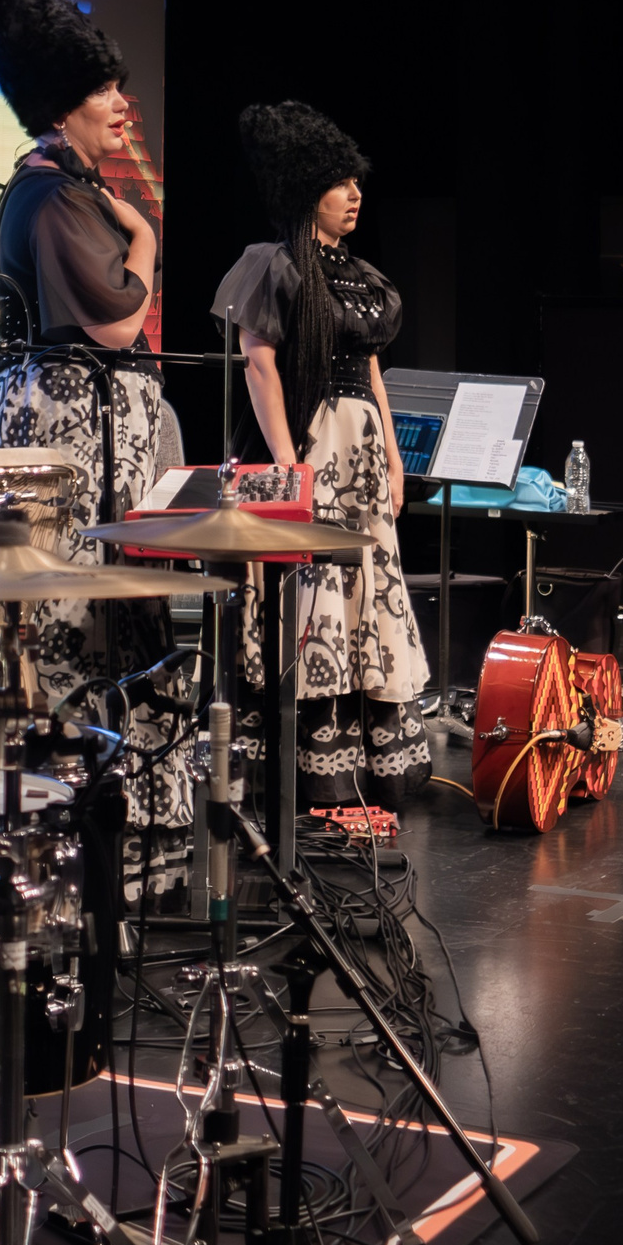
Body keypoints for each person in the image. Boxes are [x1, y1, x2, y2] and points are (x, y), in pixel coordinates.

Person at [0, 0, 192, 896]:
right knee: (73, 617)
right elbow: (117, 323)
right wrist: (146, 241)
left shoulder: (69, 189)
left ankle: (121, 842)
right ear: (60, 105)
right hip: (70, 427)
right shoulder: (53, 196)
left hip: (88, 421)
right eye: (104, 90)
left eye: (120, 86)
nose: (123, 103)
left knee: (104, 615)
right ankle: (79, 841)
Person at [214, 102, 431, 806]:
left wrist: (393, 454)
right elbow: (259, 363)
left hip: (360, 452)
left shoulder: (362, 276)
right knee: (313, 587)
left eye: (356, 182)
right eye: (341, 183)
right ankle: (310, 761)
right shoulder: (271, 264)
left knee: (367, 582)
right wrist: (287, 464)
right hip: (310, 444)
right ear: (308, 190)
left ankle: (367, 760)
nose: (355, 194)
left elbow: (370, 370)